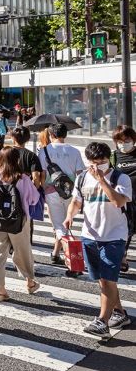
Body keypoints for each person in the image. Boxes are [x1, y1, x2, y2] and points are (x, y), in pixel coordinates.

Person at [64, 142, 133, 338]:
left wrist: (102, 180)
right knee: (103, 280)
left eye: (102, 161)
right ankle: (119, 312)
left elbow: (118, 201)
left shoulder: (121, 178)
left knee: (108, 280)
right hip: (90, 235)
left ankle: (102, 321)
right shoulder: (82, 178)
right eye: (94, 162)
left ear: (108, 160)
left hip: (114, 236)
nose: (98, 165)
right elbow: (77, 201)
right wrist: (70, 215)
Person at [0, 148, 41, 302]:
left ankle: (1, 290)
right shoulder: (23, 179)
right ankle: (30, 282)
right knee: (23, 251)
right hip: (19, 221)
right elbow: (34, 199)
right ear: (17, 160)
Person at [38, 123, 86, 265]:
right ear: (65, 135)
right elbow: (80, 174)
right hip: (71, 193)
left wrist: (44, 188)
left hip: (52, 192)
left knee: (59, 227)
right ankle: (55, 254)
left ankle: (72, 258)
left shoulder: (44, 151)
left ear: (51, 135)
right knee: (65, 224)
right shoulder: (75, 151)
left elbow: (42, 174)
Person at [12, 126, 45, 245]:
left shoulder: (5, 152)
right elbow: (36, 177)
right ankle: (26, 244)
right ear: (28, 139)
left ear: (13, 138)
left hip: (8, 192)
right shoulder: (31, 156)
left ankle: (12, 245)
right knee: (27, 220)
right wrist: (34, 191)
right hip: (25, 193)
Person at [110, 125, 136, 272]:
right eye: (120, 141)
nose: (123, 143)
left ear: (133, 139)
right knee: (125, 230)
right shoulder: (114, 156)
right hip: (125, 200)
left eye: (126, 140)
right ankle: (123, 257)